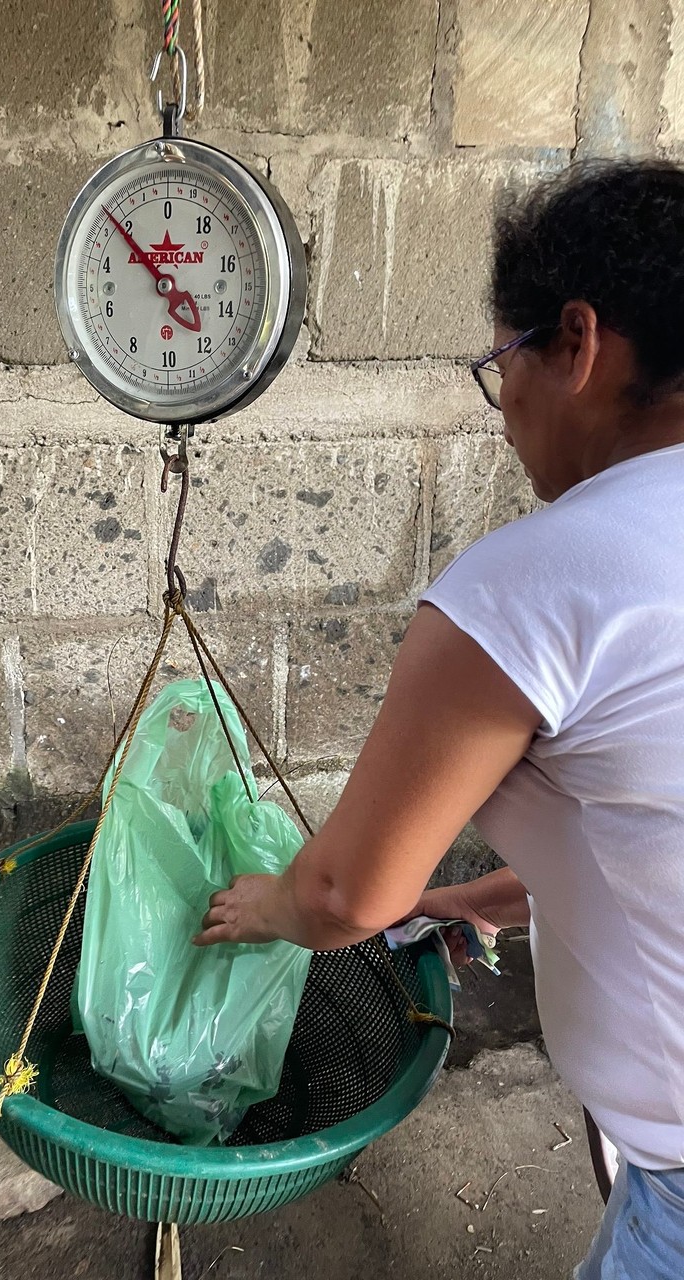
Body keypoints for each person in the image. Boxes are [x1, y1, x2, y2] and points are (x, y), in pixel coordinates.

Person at [193, 159, 684, 1279]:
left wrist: (265, 903)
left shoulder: (545, 579)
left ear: (577, 343)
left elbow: (340, 892)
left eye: (497, 364)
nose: (503, 406)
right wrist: (483, 894)